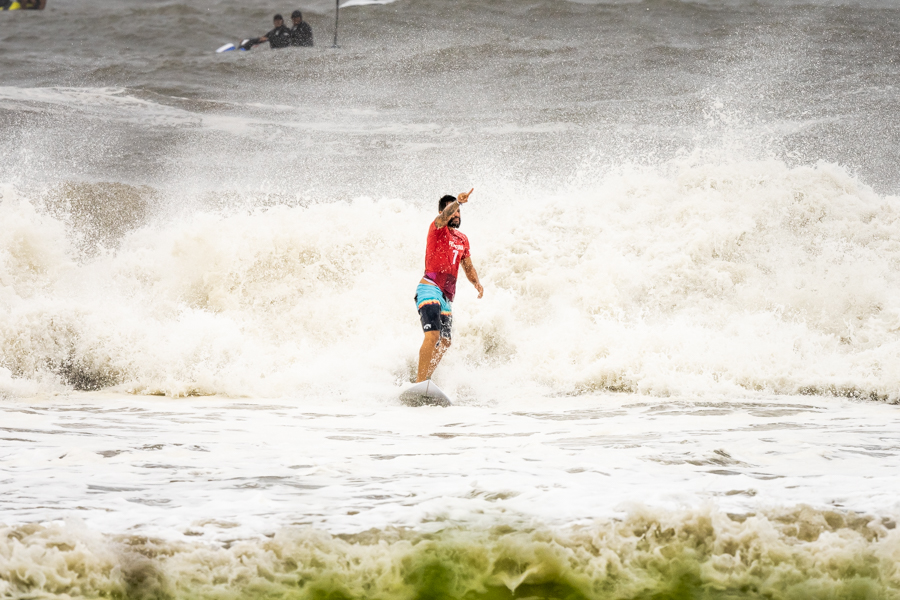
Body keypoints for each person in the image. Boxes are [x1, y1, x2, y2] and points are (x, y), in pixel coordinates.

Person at [414, 188, 483, 383]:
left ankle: (426, 378)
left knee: (445, 341)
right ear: (443, 213)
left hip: (446, 296)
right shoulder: (436, 229)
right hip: (429, 287)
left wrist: (476, 282)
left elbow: (467, 265)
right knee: (433, 334)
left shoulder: (462, 239)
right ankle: (420, 382)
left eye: (458, 212)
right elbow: (444, 216)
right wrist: (457, 202)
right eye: (452, 211)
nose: (456, 214)